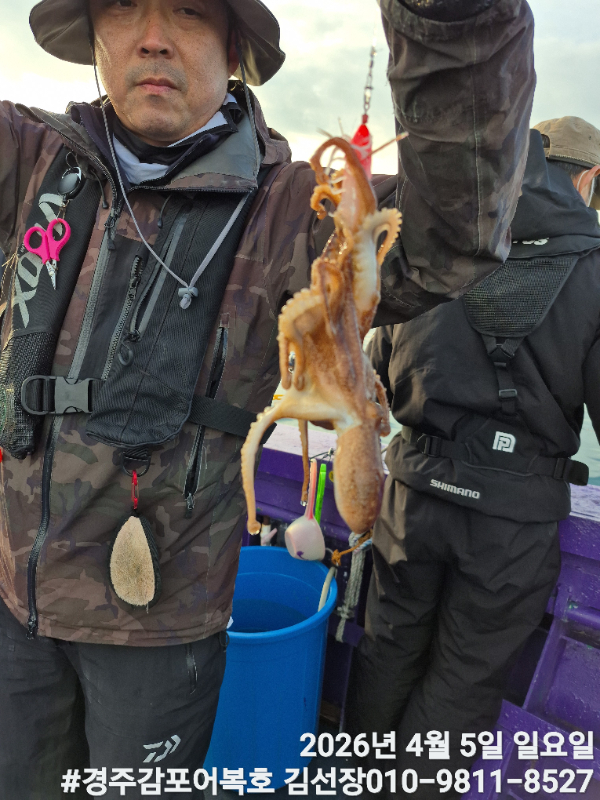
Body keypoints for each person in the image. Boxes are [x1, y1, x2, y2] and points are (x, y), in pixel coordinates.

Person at [0, 0, 535, 797]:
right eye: (123, 6)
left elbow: (453, 235)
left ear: (233, 48)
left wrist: (450, 19)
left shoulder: (292, 209)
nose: (153, 37)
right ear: (94, 37)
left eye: (188, 10)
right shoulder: (32, 156)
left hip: (165, 632)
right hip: (11, 602)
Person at [346, 116, 600, 797]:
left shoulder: (440, 240)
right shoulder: (593, 265)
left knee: (387, 648)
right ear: (588, 180)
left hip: (413, 495)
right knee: (463, 678)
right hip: (512, 522)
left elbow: (377, 365)